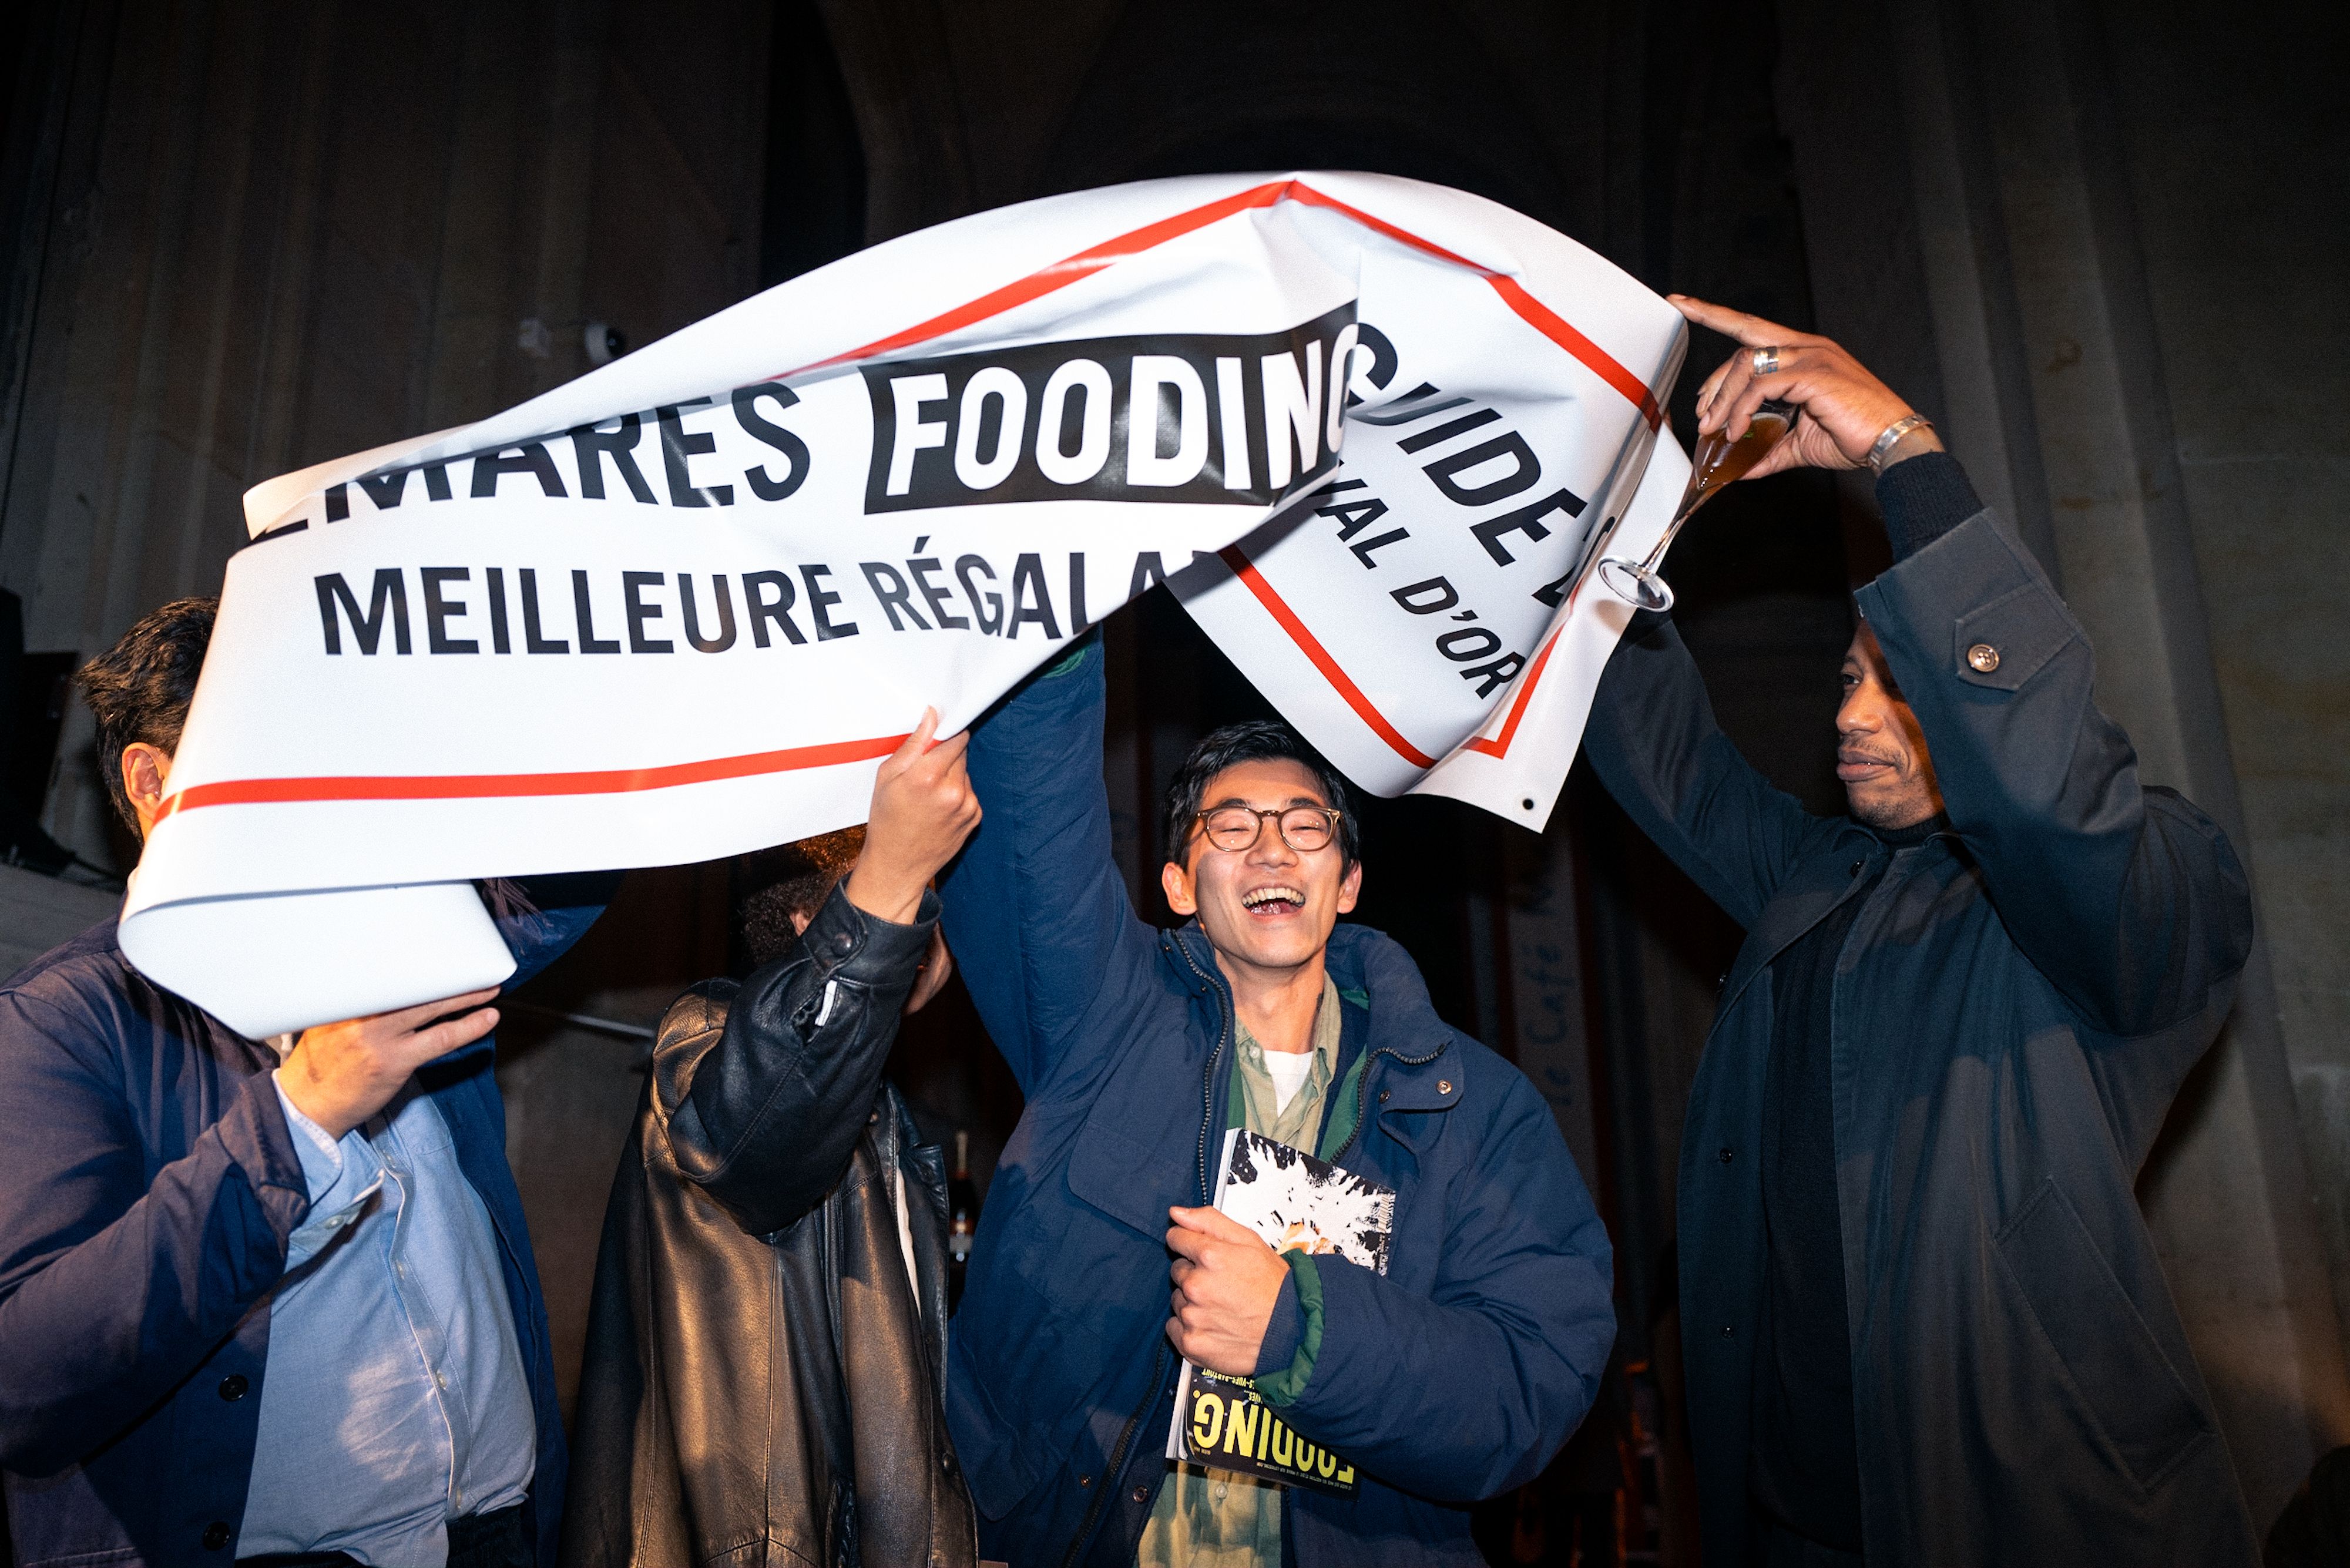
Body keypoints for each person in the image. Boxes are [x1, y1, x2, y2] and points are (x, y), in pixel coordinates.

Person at [1580, 296, 2262, 1566]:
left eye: (1900, 689)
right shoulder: (1825, 877)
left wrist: (1903, 454)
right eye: (1848, 680)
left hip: (2017, 1525)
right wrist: (1606, 520)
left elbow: (2052, 800)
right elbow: (1665, 756)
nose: (1851, 716)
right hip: (1792, 1525)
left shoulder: (2150, 885)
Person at [938, 649, 1616, 1566]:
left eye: (1306, 825)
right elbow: (1032, 816)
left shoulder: (1472, 1109)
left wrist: (1301, 1328)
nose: (1272, 848)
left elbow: (1533, 1383)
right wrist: (1048, 610)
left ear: (1347, 882)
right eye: (1232, 826)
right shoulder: (1101, 1026)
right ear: (1179, 885)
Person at [0, 597, 613, 1567]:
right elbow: (28, 1383)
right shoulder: (62, 1020)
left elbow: (573, 854)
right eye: (273, 744)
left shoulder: (406, 935)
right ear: (154, 780)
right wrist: (301, 1114)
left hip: (507, 1528)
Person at [559, 712, 983, 1568]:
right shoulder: (707, 1038)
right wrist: (890, 875)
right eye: (903, 906)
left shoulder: (878, 1110)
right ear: (805, 929)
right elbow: (759, 1139)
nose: (918, 926)